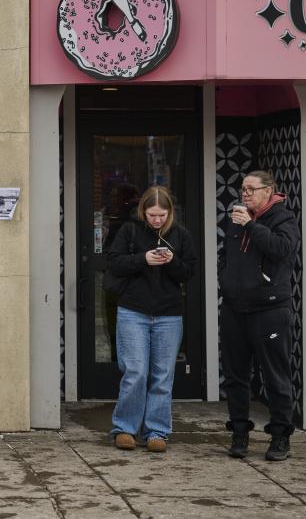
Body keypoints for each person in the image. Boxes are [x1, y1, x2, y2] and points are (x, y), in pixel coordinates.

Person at [107, 186, 196, 453]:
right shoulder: (130, 231)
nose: (157, 220)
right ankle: (125, 428)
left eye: (162, 215)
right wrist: (143, 259)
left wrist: (172, 261)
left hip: (169, 313)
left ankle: (157, 431)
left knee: (163, 375)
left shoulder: (180, 235)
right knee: (135, 371)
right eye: (152, 214)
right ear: (143, 211)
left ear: (170, 213)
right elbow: (114, 263)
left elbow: (189, 272)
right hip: (133, 310)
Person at [220, 170, 300, 461]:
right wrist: (226, 281)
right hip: (234, 308)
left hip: (269, 309)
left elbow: (282, 249)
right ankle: (239, 433)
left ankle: (280, 437)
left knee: (275, 375)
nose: (245, 194)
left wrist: (252, 225)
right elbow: (227, 256)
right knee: (235, 376)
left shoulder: (283, 219)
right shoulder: (236, 218)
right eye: (243, 189)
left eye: (251, 189)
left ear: (269, 191)